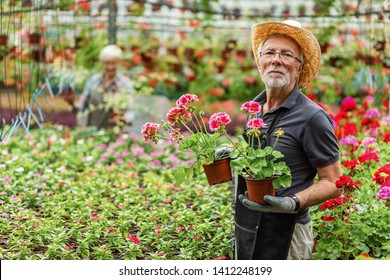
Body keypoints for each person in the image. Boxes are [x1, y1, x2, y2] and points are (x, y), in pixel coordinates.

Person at [234, 20, 342, 260]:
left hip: (288, 233)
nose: (276, 59)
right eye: (270, 52)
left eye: (287, 54)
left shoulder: (312, 117)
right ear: (260, 62)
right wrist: (229, 154)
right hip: (247, 226)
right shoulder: (254, 109)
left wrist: (293, 202)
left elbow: (335, 181)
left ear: (299, 68)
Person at [68, 44, 135, 129]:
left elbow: (130, 110)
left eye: (113, 63)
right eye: (107, 63)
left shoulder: (125, 83)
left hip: (113, 133)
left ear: (119, 63)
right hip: (92, 130)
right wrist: (72, 103)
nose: (110, 67)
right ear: (102, 63)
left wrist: (124, 119)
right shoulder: (94, 80)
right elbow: (82, 106)